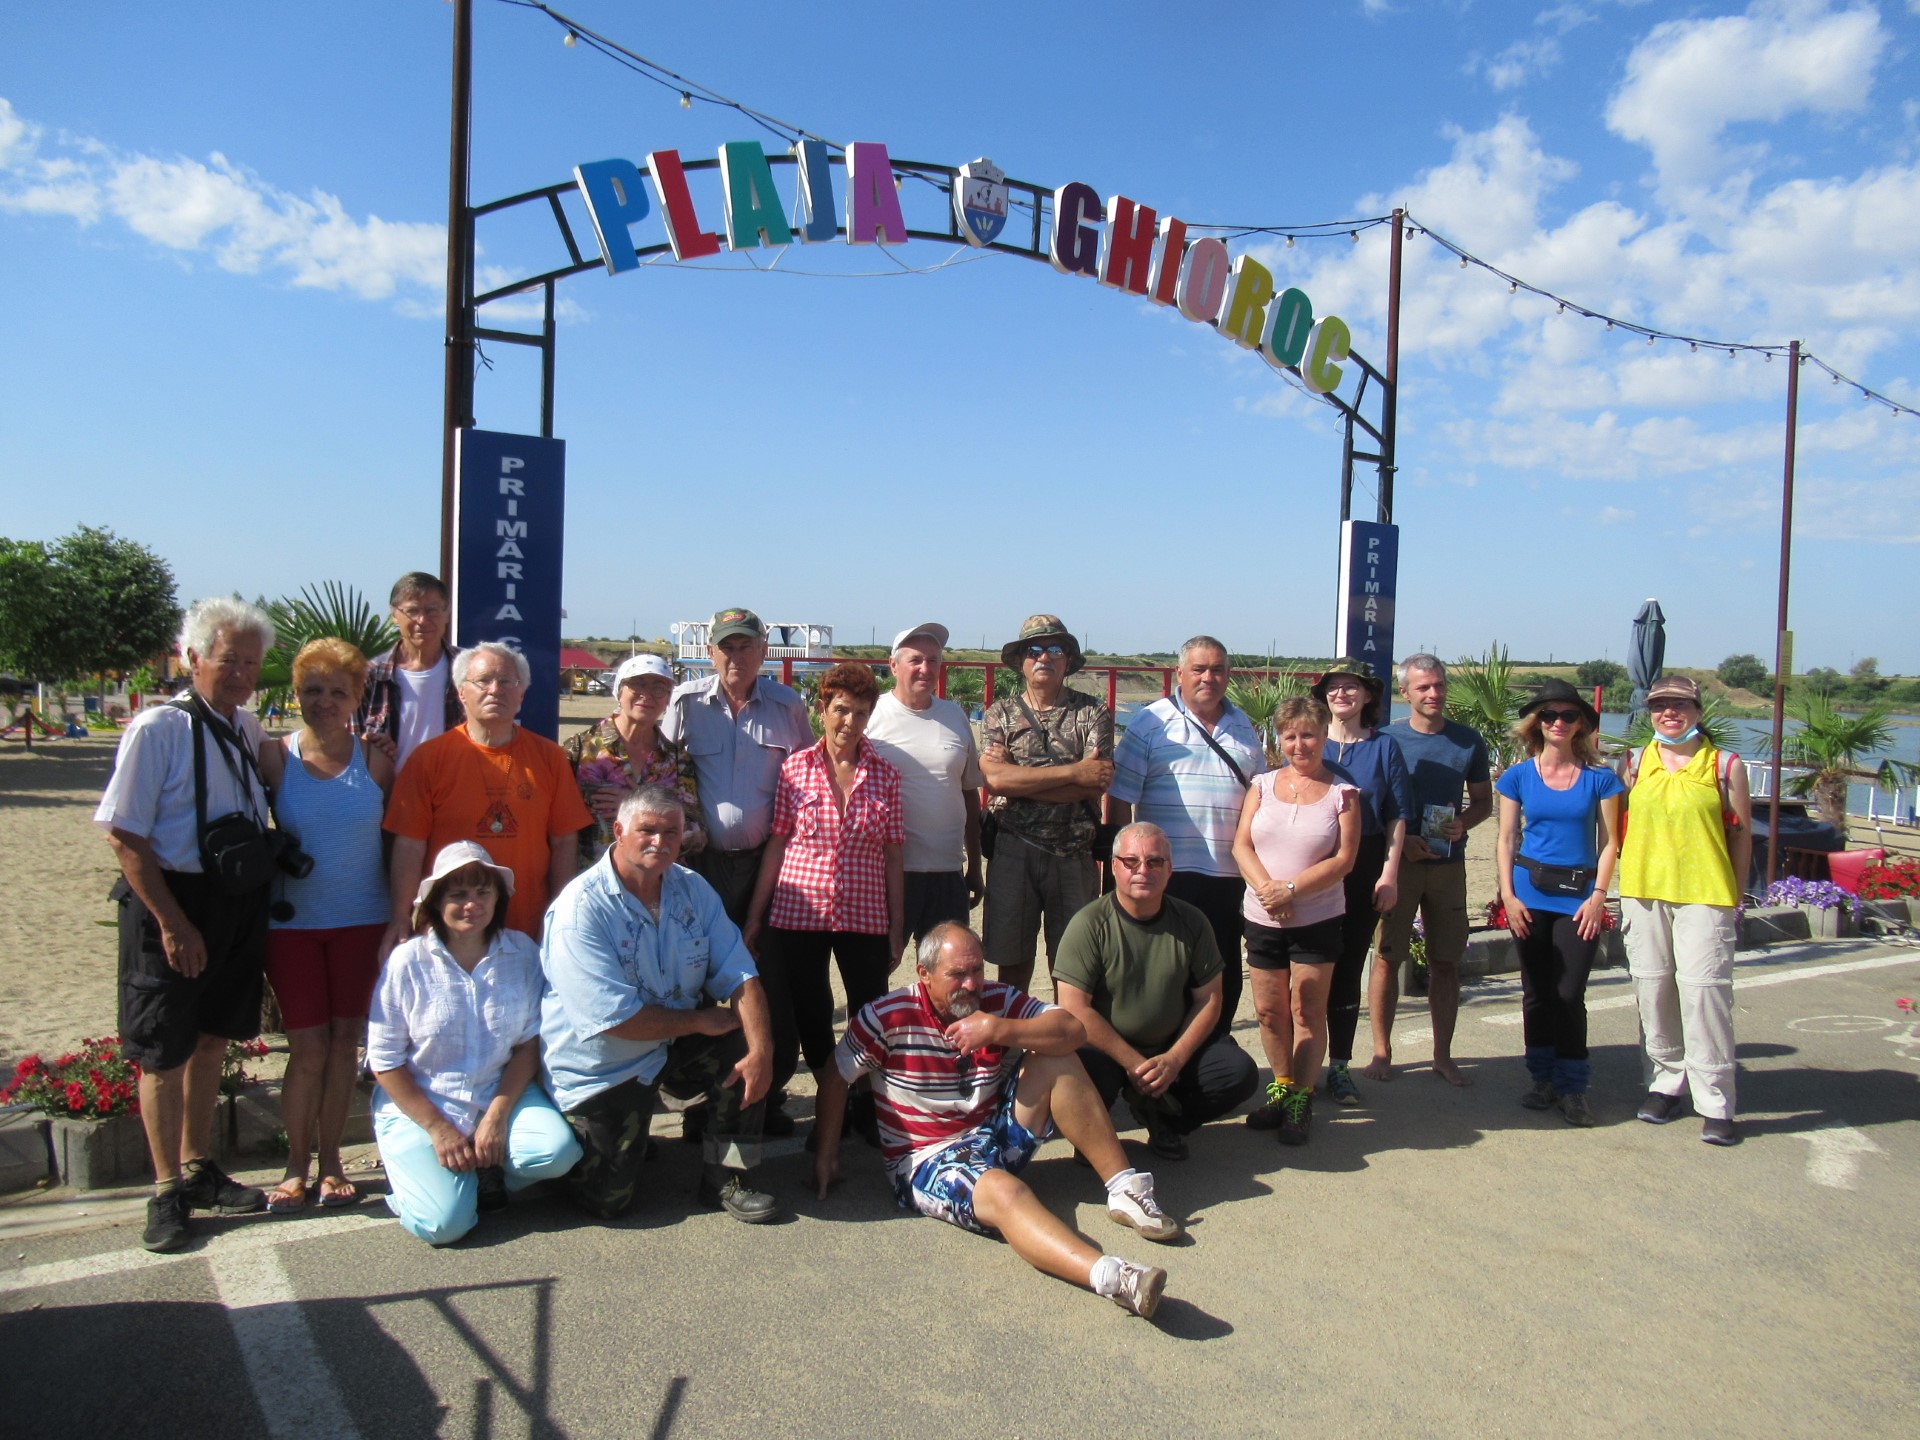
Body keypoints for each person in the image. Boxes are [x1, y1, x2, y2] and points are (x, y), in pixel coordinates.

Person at [813, 923, 1180, 1318]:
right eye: (957, 974)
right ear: (924, 974)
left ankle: (1124, 1189)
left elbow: (1073, 1031)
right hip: (926, 1159)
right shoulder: (887, 1016)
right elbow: (836, 1074)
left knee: (1056, 1056)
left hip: (989, 1134)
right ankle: (1115, 1278)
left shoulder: (994, 1001)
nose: (971, 984)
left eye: (977, 970)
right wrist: (826, 1154)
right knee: (1007, 1193)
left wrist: (999, 1028)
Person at [95, 596, 277, 1251]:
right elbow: (124, 835)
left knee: (210, 1041)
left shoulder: (246, 728)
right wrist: (172, 923)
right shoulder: (158, 729)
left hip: (232, 902)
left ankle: (199, 1167)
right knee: (163, 1053)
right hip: (170, 903)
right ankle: (166, 1188)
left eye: (251, 663)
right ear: (192, 657)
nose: (242, 674)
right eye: (229, 661)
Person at [539, 785, 779, 1223]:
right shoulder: (581, 909)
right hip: (605, 1067)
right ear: (618, 831)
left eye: (671, 831)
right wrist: (699, 1021)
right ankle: (567, 1142)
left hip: (669, 1045)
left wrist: (762, 1052)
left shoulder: (692, 889)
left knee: (745, 1046)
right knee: (610, 1201)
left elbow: (742, 974)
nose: (660, 841)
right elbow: (612, 1020)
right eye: (647, 830)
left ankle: (727, 1176)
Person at [366, 842, 582, 1245]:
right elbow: (385, 1062)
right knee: (445, 1226)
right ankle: (420, 1186)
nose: (472, 904)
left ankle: (482, 1173)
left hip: (496, 1090)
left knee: (557, 1152)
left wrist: (496, 1117)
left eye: (483, 892)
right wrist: (439, 1129)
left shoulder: (522, 952)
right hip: (423, 1102)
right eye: (458, 894)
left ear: (498, 898)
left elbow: (527, 1045)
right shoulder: (407, 962)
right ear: (436, 902)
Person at [255, 638, 394, 1213]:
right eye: (313, 690)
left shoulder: (378, 760)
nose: (325, 701)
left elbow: (396, 842)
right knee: (307, 1048)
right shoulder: (273, 757)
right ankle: (295, 1166)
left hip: (364, 921)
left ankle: (333, 1162)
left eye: (338, 690)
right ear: (296, 694)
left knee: (343, 1047)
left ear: (358, 696)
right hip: (293, 927)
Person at [743, 662, 904, 1140]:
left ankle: (863, 1100)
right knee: (811, 1011)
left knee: (867, 1010)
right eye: (840, 710)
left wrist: (896, 927)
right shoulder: (795, 770)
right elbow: (777, 843)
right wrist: (755, 917)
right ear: (822, 709)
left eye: (860, 712)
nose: (849, 722)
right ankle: (829, 1096)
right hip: (800, 913)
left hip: (864, 913)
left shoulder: (886, 775)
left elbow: (893, 854)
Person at [1052, 823, 1260, 1160]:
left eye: (1154, 862)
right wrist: (1133, 1063)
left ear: (1169, 869)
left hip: (1169, 1046)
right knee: (1073, 1070)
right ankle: (1093, 1136)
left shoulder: (1192, 922)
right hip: (1106, 1052)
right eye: (1131, 861)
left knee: (1237, 1072)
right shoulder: (1088, 924)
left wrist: (1174, 1060)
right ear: (1114, 866)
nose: (1143, 871)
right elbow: (1074, 1008)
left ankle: (1166, 1121)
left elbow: (1209, 999)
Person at [381, 641, 592, 957]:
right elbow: (410, 845)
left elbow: (564, 842)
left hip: (527, 930)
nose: (495, 690)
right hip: (449, 932)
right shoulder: (428, 759)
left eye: (507, 681)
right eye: (483, 681)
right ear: (461, 692)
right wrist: (400, 916)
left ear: (521, 694)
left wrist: (558, 915)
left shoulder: (549, 757)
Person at [1108, 636, 1265, 1041]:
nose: (1208, 677)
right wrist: (1121, 870)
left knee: (1222, 969)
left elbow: (1261, 797)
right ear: (1180, 673)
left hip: (1227, 875)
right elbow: (1121, 798)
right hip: (1164, 873)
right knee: (1163, 971)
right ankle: (1160, 1055)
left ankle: (1213, 1050)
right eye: (1199, 669)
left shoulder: (1244, 727)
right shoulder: (1150, 722)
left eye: (1217, 669)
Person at [1617, 675, 1752, 1146]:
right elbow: (1613, 827)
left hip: (1705, 894)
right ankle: (1665, 1082)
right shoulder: (1633, 763)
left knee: (1704, 995)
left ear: (1697, 710)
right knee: (1652, 989)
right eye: (1659, 706)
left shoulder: (1725, 765)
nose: (1669, 713)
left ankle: (1715, 1101)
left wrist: (1734, 895)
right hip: (1643, 891)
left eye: (1679, 704)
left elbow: (1741, 835)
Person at [1494, 679, 1625, 1127]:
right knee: (1536, 992)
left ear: (1581, 724)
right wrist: (1508, 896)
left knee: (1568, 994)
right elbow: (1506, 839)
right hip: (1528, 893)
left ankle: (1573, 1086)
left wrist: (1598, 897)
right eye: (1549, 715)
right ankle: (1542, 1077)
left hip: (1579, 897)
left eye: (1568, 716)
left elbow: (1609, 843)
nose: (1558, 723)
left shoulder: (1601, 779)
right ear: (1537, 723)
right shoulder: (1517, 776)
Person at [1233, 696, 1361, 1145]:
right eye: (1290, 736)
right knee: (1269, 1012)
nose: (1299, 744)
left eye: (1308, 735)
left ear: (1324, 736)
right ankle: (1281, 1087)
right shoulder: (1262, 785)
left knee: (1306, 1010)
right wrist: (1270, 893)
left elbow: (1345, 859)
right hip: (1262, 917)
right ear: (1279, 739)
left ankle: (1302, 1098)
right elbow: (1241, 846)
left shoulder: (1343, 795)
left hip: (1317, 920)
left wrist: (1292, 890)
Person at [1372, 654, 1492, 1086]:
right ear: (1405, 692)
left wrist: (1464, 822)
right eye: (1423, 687)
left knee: (1446, 962)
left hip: (1448, 866)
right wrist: (1402, 843)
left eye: (1439, 685)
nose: (1434, 693)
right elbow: (1372, 805)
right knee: (1387, 958)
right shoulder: (1386, 739)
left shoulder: (1468, 741)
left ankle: (1443, 1055)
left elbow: (1483, 802)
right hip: (1399, 864)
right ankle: (1382, 1052)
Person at [979, 614, 1114, 996]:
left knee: (1072, 966)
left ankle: (1065, 1034)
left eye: (1055, 648)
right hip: (1012, 850)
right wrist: (1073, 773)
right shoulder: (1000, 713)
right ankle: (1013, 1033)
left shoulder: (1093, 712)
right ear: (1020, 660)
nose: (1044, 657)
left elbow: (1096, 782)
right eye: (1034, 649)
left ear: (1068, 660)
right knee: (1012, 963)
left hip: (1074, 855)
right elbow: (996, 781)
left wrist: (1019, 780)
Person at [661, 606, 814, 924]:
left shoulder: (788, 706)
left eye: (746, 647)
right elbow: (659, 774)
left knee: (763, 951)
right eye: (727, 648)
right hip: (699, 862)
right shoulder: (686, 703)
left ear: (763, 651)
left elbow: (811, 780)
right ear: (710, 653)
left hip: (768, 864)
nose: (736, 657)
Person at [1312, 659, 1410, 1107]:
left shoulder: (1383, 747)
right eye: (1334, 687)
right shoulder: (1310, 741)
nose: (1342, 694)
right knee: (1310, 966)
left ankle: (1339, 1066)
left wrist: (1389, 874)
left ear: (1368, 696)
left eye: (1352, 687)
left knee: (1349, 965)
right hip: (1314, 864)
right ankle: (1300, 1066)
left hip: (1366, 862)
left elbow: (1397, 815)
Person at [863, 621, 985, 942]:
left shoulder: (955, 716)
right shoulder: (870, 715)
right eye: (915, 660)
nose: (925, 669)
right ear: (893, 666)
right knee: (879, 963)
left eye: (933, 660)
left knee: (946, 968)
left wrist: (974, 865)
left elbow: (969, 794)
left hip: (948, 870)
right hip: (886, 872)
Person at [564, 652, 703, 867]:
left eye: (659, 688)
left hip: (660, 879)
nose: (647, 694)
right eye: (638, 684)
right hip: (595, 879)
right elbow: (558, 826)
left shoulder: (677, 760)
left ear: (667, 700)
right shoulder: (580, 750)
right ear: (619, 691)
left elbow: (697, 835)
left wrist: (638, 808)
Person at [356, 572, 464, 771]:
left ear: (447, 613)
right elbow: (344, 747)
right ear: (394, 615)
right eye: (412, 611)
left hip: (455, 786)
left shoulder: (469, 670)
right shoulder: (370, 675)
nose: (422, 620)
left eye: (432, 610)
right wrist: (363, 745)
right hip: (390, 788)